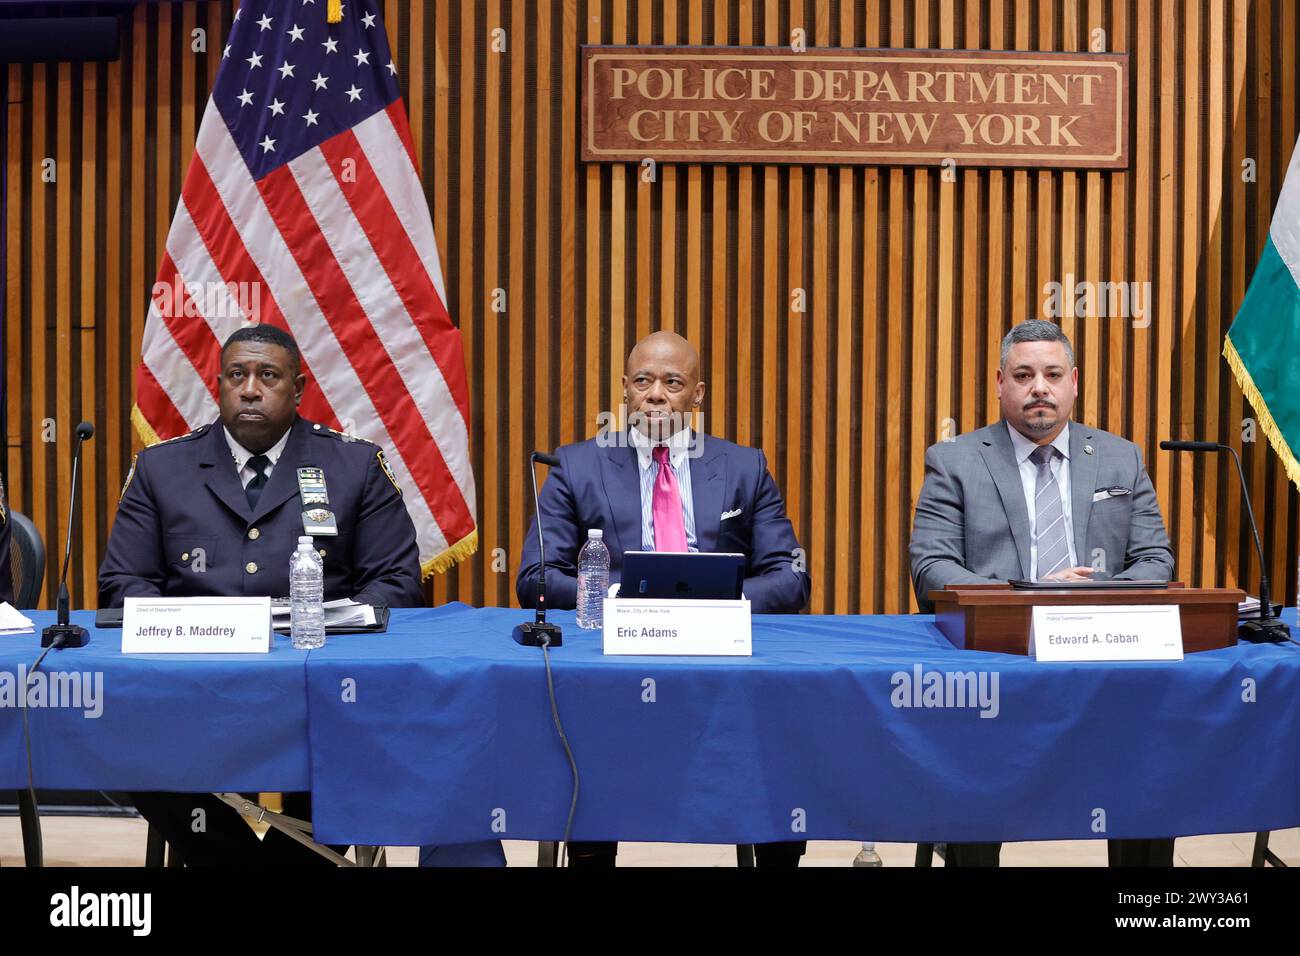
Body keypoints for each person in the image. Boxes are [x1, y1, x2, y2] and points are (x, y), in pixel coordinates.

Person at [100, 325, 500, 866]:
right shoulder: (162, 469)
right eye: (236, 375)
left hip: (325, 687)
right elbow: (124, 585)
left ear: (299, 388)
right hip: (195, 685)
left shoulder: (354, 466)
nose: (249, 389)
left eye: (268, 376)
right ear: (218, 385)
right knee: (127, 736)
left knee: (345, 748)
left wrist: (328, 634)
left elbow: (397, 586)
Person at [516, 330, 811, 866]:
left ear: (697, 395)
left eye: (673, 383)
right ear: (625, 390)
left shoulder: (743, 467)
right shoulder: (576, 466)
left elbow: (790, 578)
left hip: (721, 660)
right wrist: (622, 598)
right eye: (644, 381)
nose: (656, 394)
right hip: (614, 658)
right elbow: (536, 577)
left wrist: (712, 602)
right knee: (592, 767)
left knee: (782, 754)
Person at [910, 319, 1176, 867]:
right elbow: (932, 570)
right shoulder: (955, 460)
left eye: (1053, 374)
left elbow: (1156, 563)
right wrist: (1031, 593)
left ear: (1074, 382)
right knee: (975, 778)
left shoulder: (1119, 457)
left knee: (1152, 758)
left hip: (1103, 657)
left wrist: (1089, 595)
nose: (1039, 388)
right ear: (1000, 382)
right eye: (1024, 374)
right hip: (999, 665)